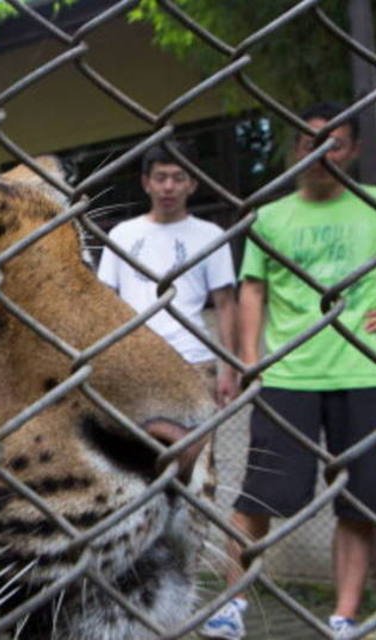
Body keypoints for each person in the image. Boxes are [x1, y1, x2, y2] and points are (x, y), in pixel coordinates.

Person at [200, 103, 376, 639]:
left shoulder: (373, 207)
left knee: (361, 503)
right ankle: (232, 603)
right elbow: (253, 288)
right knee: (259, 497)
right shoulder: (272, 217)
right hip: (289, 374)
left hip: (363, 370)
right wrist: (251, 360)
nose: (320, 152)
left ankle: (344, 617)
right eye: (308, 141)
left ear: (355, 150)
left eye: (334, 143)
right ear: (295, 148)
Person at [97, 142, 238, 405]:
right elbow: (105, 299)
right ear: (146, 183)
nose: (168, 187)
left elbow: (226, 304)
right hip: (134, 361)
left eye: (178, 178)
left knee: (200, 446)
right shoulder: (121, 235)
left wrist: (229, 368)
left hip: (193, 358)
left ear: (192, 184)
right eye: (160, 178)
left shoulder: (212, 236)